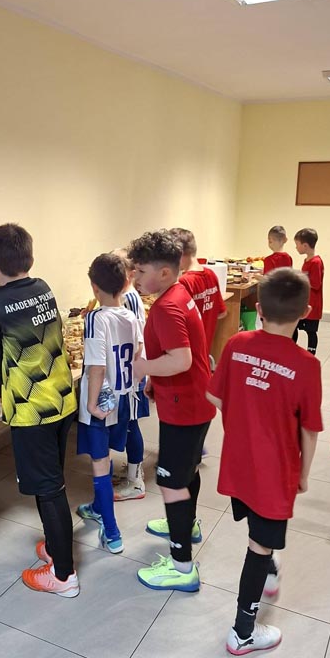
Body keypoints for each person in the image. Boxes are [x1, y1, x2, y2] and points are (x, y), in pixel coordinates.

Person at [206, 268, 322, 655]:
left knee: (258, 528)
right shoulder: (307, 365)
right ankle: (242, 633)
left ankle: (269, 566)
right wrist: (303, 475)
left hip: (238, 463)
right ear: (305, 312)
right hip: (275, 474)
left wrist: (247, 415)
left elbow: (216, 397)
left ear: (258, 308)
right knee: (259, 546)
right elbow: (309, 430)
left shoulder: (236, 343)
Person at [0, 223, 79, 597]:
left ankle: (64, 576)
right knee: (51, 481)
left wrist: (1, 391)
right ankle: (54, 546)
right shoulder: (43, 287)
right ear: (30, 258)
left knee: (49, 489)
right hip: (62, 398)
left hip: (31, 408)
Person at [129, 230, 215, 593]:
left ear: (164, 272)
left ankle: (182, 567)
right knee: (186, 471)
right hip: (195, 401)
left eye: (140, 271)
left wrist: (143, 368)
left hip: (185, 408)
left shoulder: (166, 307)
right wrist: (156, 378)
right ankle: (187, 525)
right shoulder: (178, 294)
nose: (134, 277)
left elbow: (181, 360)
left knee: (170, 483)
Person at [75, 254, 141, 550]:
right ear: (126, 284)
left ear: (94, 287)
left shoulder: (95, 318)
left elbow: (97, 366)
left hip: (101, 400)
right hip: (124, 397)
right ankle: (98, 506)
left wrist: (91, 404)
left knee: (99, 462)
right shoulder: (130, 315)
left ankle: (111, 532)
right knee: (106, 456)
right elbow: (138, 354)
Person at [112, 248, 148, 501]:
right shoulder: (127, 294)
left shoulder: (128, 297)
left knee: (130, 424)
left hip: (130, 372)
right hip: (129, 369)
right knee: (128, 423)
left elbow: (133, 339)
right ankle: (133, 470)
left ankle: (136, 482)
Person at [170, 227, 227, 353]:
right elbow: (221, 313)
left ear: (178, 253)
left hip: (188, 350)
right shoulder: (211, 274)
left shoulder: (184, 282)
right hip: (204, 348)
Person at [293, 228, 324, 355]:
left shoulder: (316, 262)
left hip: (313, 304)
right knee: (293, 326)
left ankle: (311, 354)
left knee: (311, 332)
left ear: (305, 245)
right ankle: (291, 349)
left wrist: (300, 278)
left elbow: (316, 284)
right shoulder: (307, 261)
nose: (296, 247)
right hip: (303, 303)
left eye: (297, 245)